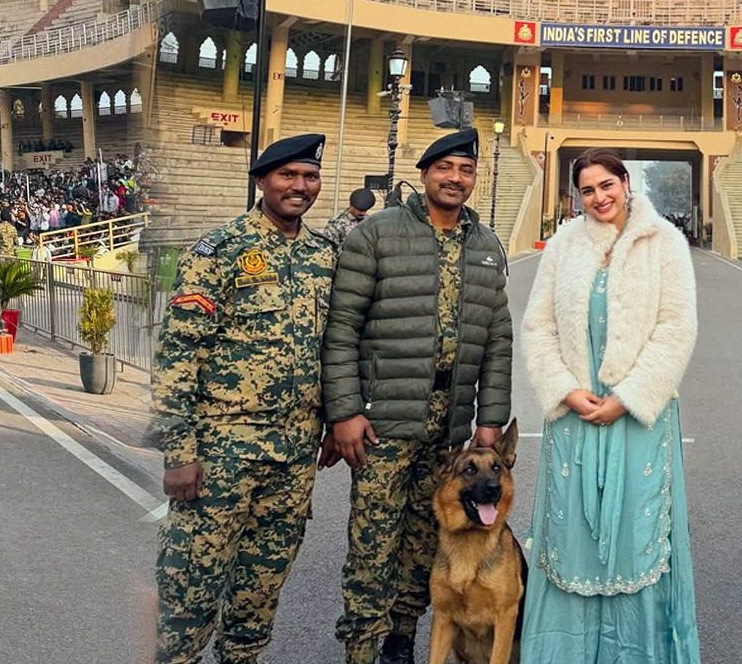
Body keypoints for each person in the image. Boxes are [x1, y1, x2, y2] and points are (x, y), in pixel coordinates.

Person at [319, 128, 513, 664]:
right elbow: (342, 329)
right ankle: (360, 644)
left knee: (427, 539)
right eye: (446, 167)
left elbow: (498, 341)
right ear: (425, 173)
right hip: (383, 419)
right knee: (373, 540)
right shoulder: (377, 234)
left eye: (466, 170)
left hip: (450, 428)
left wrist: (490, 421)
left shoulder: (487, 246)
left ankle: (401, 636)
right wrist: (345, 411)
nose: (456, 178)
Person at [151, 133, 337, 664]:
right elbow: (178, 354)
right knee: (190, 587)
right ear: (262, 181)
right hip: (221, 450)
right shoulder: (219, 250)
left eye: (310, 177)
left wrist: (335, 417)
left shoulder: (325, 256)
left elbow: (336, 346)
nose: (300, 187)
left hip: (295, 452)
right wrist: (179, 452)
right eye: (288, 176)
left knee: (261, 590)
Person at [519, 148, 700, 662]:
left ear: (626, 182)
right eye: (588, 190)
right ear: (578, 197)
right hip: (575, 412)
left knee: (637, 534)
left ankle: (637, 651)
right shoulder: (563, 245)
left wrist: (629, 397)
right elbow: (539, 326)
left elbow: (675, 328)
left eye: (607, 185)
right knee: (571, 532)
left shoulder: (663, 242)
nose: (599, 197)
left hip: (639, 413)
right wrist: (564, 389)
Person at [322, 187, 377, 251]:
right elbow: (329, 249)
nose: (363, 213)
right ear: (351, 205)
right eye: (359, 210)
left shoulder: (369, 222)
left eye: (365, 210)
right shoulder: (337, 223)